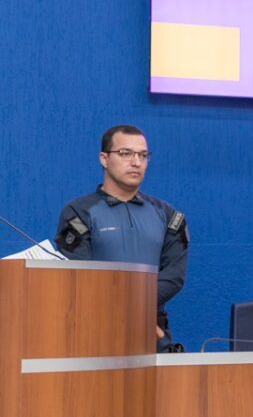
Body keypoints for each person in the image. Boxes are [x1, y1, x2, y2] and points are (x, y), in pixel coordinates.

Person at [55, 125, 189, 352]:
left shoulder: (169, 216)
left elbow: (173, 277)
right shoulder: (78, 212)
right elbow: (80, 278)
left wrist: (138, 317)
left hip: (152, 333)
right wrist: (131, 315)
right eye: (125, 154)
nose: (136, 162)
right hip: (94, 334)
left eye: (143, 155)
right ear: (104, 159)